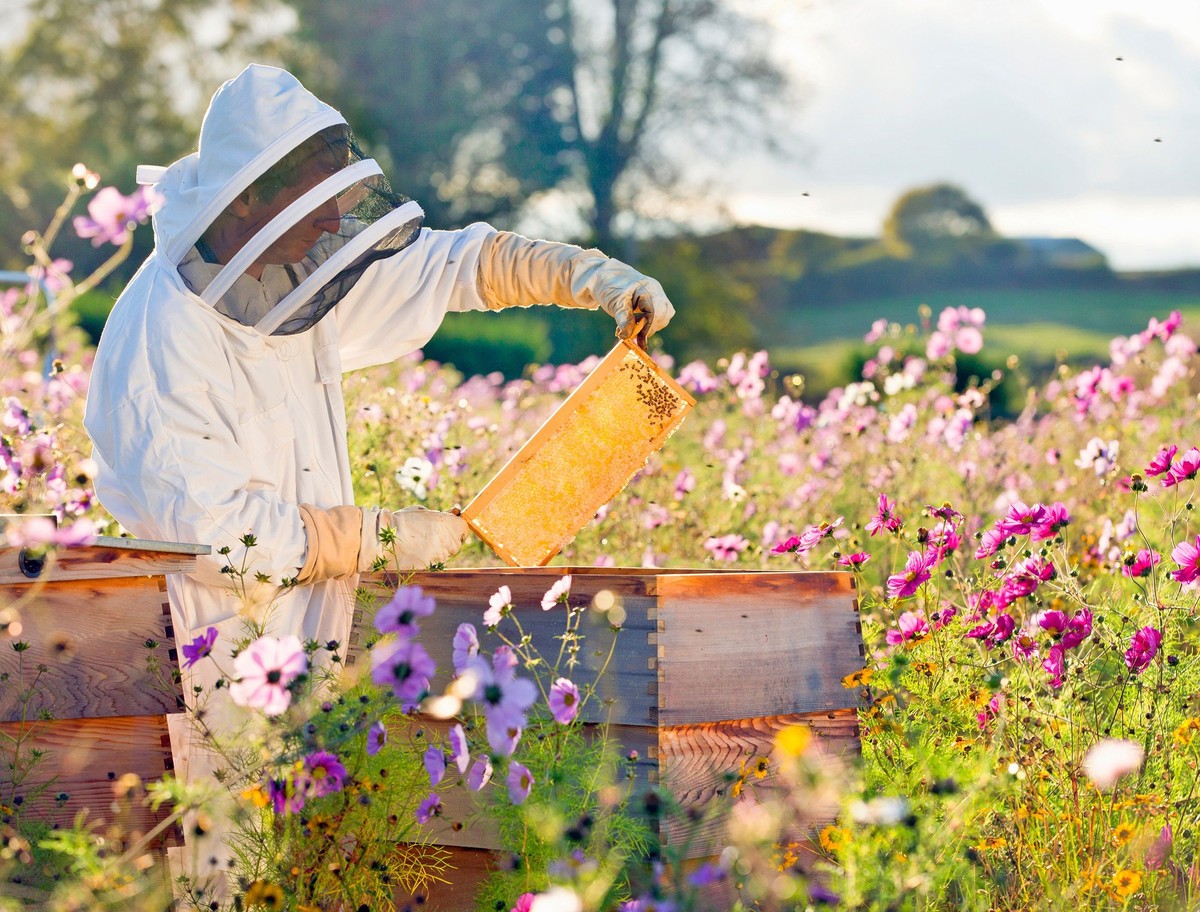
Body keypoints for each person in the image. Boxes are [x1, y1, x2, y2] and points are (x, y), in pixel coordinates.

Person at [82, 63, 674, 886]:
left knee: (302, 869)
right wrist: (376, 536)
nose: (332, 226)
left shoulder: (287, 272)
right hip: (208, 655)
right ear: (247, 204)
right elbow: (217, 536)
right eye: (314, 208)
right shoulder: (162, 344)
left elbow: (451, 266)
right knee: (222, 874)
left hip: (309, 640)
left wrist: (589, 277)